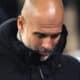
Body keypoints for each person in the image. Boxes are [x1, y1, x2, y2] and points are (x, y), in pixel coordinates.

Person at [0, 0, 79, 80]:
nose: (47, 45)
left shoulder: (73, 70)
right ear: (21, 24)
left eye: (55, 36)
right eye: (40, 35)